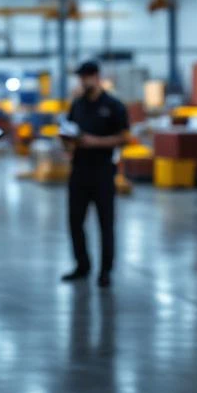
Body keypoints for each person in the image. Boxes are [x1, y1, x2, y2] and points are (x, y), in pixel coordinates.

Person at [61, 60, 129, 288]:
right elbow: (69, 129)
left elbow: (124, 137)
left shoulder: (113, 105)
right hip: (79, 171)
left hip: (102, 172)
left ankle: (105, 271)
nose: (83, 80)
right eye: (81, 77)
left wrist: (96, 142)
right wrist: (67, 142)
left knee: (105, 223)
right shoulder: (77, 104)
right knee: (75, 222)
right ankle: (83, 265)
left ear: (97, 76)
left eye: (87, 76)